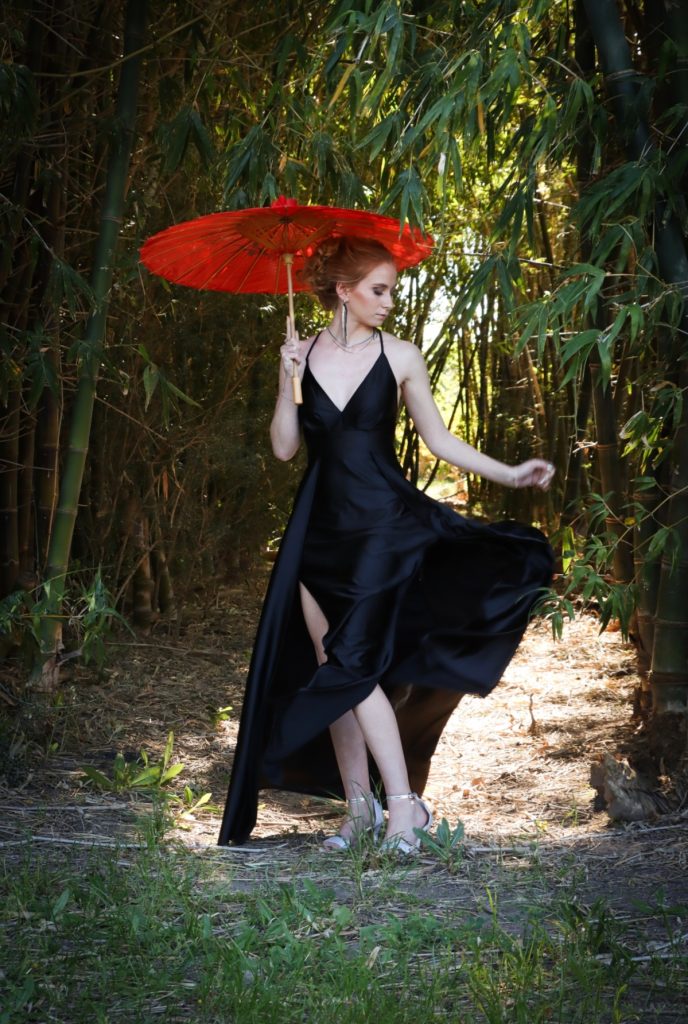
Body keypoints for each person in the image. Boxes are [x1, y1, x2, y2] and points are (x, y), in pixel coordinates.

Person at [219, 236, 554, 852]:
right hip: (317, 531)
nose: (390, 301)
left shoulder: (400, 355)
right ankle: (360, 810)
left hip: (381, 526)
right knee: (333, 668)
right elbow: (285, 449)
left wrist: (510, 474)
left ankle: (405, 808)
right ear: (343, 290)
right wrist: (286, 378)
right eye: (379, 289)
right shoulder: (300, 354)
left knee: (353, 663)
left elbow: (439, 440)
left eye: (392, 290)